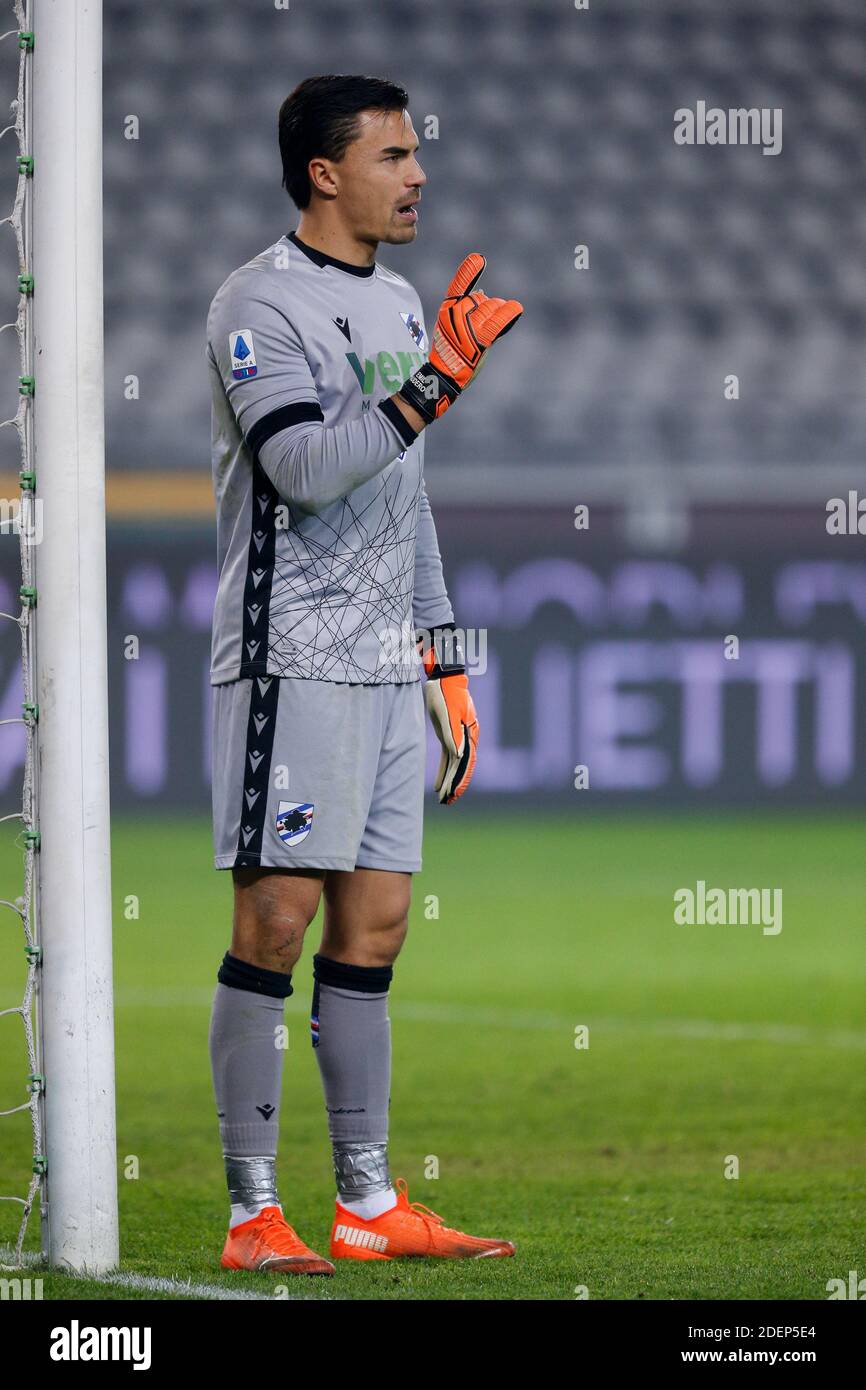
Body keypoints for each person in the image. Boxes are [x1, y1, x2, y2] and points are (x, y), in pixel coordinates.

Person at [205, 73, 522, 1274]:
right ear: (324, 173)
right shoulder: (256, 303)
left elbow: (403, 500)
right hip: (292, 660)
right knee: (275, 919)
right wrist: (435, 383)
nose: (417, 174)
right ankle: (249, 1214)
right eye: (392, 155)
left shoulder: (395, 301)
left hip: (390, 666)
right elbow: (302, 469)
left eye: (415, 152)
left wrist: (444, 656)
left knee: (376, 924)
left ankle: (367, 1201)